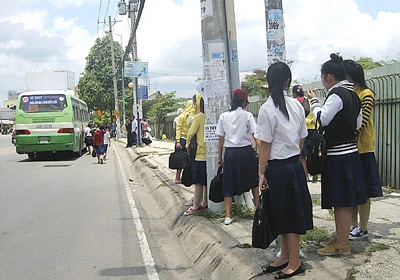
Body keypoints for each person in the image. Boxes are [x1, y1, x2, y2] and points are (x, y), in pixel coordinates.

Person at [255, 61, 312, 279]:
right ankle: (285, 256)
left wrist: (261, 173)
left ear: (269, 83)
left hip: (279, 167)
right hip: (292, 165)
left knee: (288, 215)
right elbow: (302, 137)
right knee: (283, 213)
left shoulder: (267, 108)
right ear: (287, 82)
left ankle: (295, 262)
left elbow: (264, 145)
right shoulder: (296, 105)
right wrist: (294, 157)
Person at [307, 53, 367, 256]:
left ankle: (342, 243)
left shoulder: (337, 95)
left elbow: (323, 118)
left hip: (338, 154)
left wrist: (314, 102)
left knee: (340, 201)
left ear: (329, 77)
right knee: (345, 199)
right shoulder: (354, 95)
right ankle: (341, 236)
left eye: (323, 78)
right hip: (351, 152)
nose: (323, 82)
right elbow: (358, 124)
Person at [342, 59, 383, 240]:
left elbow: (361, 122)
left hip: (363, 148)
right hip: (351, 148)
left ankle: (363, 228)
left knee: (364, 191)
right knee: (352, 189)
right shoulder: (351, 93)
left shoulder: (366, 94)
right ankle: (353, 225)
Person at [216, 88, 259, 225]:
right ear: (245, 101)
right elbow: (255, 135)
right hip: (246, 151)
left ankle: (228, 215)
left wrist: (219, 158)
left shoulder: (224, 116)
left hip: (230, 153)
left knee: (228, 182)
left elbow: (221, 140)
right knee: (253, 180)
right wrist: (261, 152)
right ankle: (258, 210)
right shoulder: (248, 115)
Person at [184, 93, 207, 216]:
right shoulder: (214, 115)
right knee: (206, 181)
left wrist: (187, 146)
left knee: (198, 182)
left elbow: (190, 133)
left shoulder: (199, 117)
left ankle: (195, 206)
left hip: (201, 153)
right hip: (213, 154)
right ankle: (205, 203)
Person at [292, 85, 318, 182]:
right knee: (312, 153)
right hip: (312, 130)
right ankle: (315, 173)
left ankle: (305, 175)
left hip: (301, 131)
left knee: (302, 155)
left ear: (294, 93)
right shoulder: (309, 101)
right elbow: (315, 115)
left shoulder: (294, 103)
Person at [174, 104, 193, 184]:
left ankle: (186, 178)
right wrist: (178, 141)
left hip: (189, 139)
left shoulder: (192, 116)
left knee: (188, 160)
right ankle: (177, 178)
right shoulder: (182, 117)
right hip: (182, 139)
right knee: (181, 160)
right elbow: (178, 129)